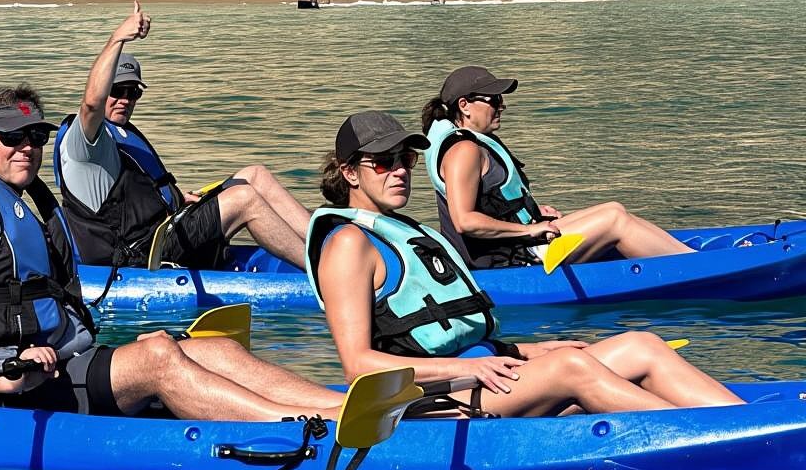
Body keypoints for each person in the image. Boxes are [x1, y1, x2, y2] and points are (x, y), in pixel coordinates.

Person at [0, 86, 345, 421]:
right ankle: (305, 424)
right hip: (22, 385)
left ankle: (339, 406)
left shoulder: (22, 207)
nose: (26, 146)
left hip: (66, 363)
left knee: (213, 348)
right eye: (11, 136)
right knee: (158, 360)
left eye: (36, 136)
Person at [305, 111, 742, 416]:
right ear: (350, 173)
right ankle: (714, 436)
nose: (399, 171)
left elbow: (456, 337)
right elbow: (358, 365)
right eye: (384, 162)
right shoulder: (348, 245)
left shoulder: (402, 231)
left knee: (640, 345)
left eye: (406, 160)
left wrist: (527, 350)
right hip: (433, 401)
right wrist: (469, 368)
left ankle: (742, 421)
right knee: (571, 368)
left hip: (484, 378)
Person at [54, 3, 313, 269]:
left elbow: (137, 196)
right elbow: (91, 105)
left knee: (254, 175)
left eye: (133, 93)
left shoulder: (121, 133)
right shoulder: (84, 142)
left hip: (165, 231)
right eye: (117, 90)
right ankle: (322, 273)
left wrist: (175, 199)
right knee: (243, 199)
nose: (125, 100)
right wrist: (117, 38)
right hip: (140, 255)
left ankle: (324, 244)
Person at [421, 65, 695, 269]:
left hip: (516, 245)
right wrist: (529, 230)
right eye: (493, 99)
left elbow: (486, 202)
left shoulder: (470, 143)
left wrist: (532, 214)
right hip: (508, 260)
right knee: (615, 221)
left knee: (614, 209)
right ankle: (697, 268)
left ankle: (692, 259)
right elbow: (465, 221)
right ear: (464, 105)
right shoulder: (463, 150)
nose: (502, 106)